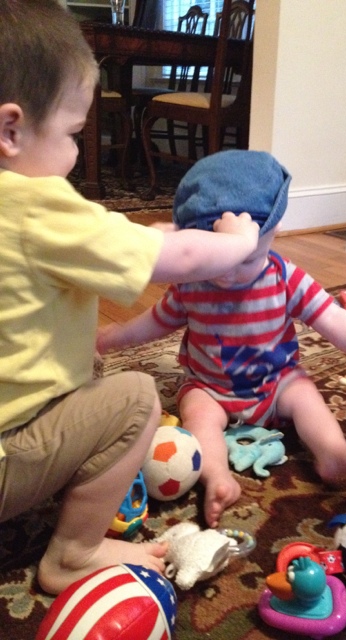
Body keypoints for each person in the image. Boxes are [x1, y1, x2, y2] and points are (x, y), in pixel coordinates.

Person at [0, 0, 260, 595]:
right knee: (135, 397)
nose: (76, 154)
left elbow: (103, 244)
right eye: (73, 134)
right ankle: (75, 552)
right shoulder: (34, 205)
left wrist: (151, 235)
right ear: (10, 130)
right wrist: (236, 243)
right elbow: (181, 261)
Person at [97, 151, 346, 530]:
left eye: (245, 260)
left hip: (277, 383)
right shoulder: (191, 284)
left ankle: (331, 453)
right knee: (197, 412)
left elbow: (332, 317)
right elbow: (156, 321)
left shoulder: (285, 278)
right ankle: (216, 476)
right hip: (210, 386)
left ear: (274, 233)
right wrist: (118, 335)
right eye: (217, 259)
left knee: (306, 396)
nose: (227, 274)